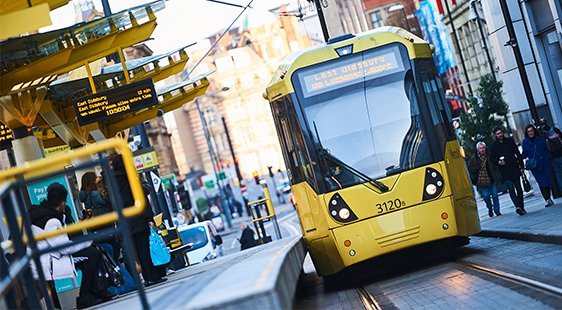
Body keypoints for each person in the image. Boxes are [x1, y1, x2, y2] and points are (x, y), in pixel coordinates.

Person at [29, 183, 107, 309]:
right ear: (62, 202)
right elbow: (64, 248)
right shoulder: (51, 221)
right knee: (92, 254)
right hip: (50, 260)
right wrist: (86, 242)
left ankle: (91, 293)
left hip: (42, 256)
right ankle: (85, 295)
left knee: (89, 253)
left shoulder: (42, 213)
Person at [112, 155, 166, 287]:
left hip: (124, 223)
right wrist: (149, 218)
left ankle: (141, 279)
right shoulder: (131, 178)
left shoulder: (112, 182)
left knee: (134, 253)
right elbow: (141, 199)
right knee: (144, 251)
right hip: (138, 220)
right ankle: (151, 277)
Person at [490, 127, 526, 215]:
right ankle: (517, 206)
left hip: (514, 168)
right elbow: (492, 158)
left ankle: (521, 206)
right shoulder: (494, 146)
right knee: (511, 189)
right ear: (495, 135)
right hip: (504, 171)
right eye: (498, 134)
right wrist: (498, 162)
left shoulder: (510, 141)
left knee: (519, 189)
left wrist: (521, 166)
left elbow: (517, 153)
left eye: (500, 133)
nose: (500, 135)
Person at [522, 124, 555, 207]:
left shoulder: (540, 139)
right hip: (535, 166)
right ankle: (547, 199)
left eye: (531, 131)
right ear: (527, 133)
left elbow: (546, 150)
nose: (530, 133)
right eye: (528, 131)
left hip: (544, 163)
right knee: (541, 182)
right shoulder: (525, 142)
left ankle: (549, 198)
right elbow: (524, 153)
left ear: (534, 131)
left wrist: (548, 158)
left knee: (547, 181)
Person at [468, 142, 502, 217]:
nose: (482, 149)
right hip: (481, 181)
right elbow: (470, 168)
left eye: (483, 148)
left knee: (495, 195)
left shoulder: (489, 156)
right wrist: (477, 168)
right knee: (486, 196)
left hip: (491, 178)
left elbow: (494, 166)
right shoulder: (474, 159)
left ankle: (497, 210)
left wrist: (497, 176)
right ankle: (489, 207)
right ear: (478, 149)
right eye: (480, 148)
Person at [539, 118, 562, 192]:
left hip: (552, 155)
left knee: (557, 173)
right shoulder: (555, 130)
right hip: (560, 153)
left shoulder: (543, 134)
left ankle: (561, 188)